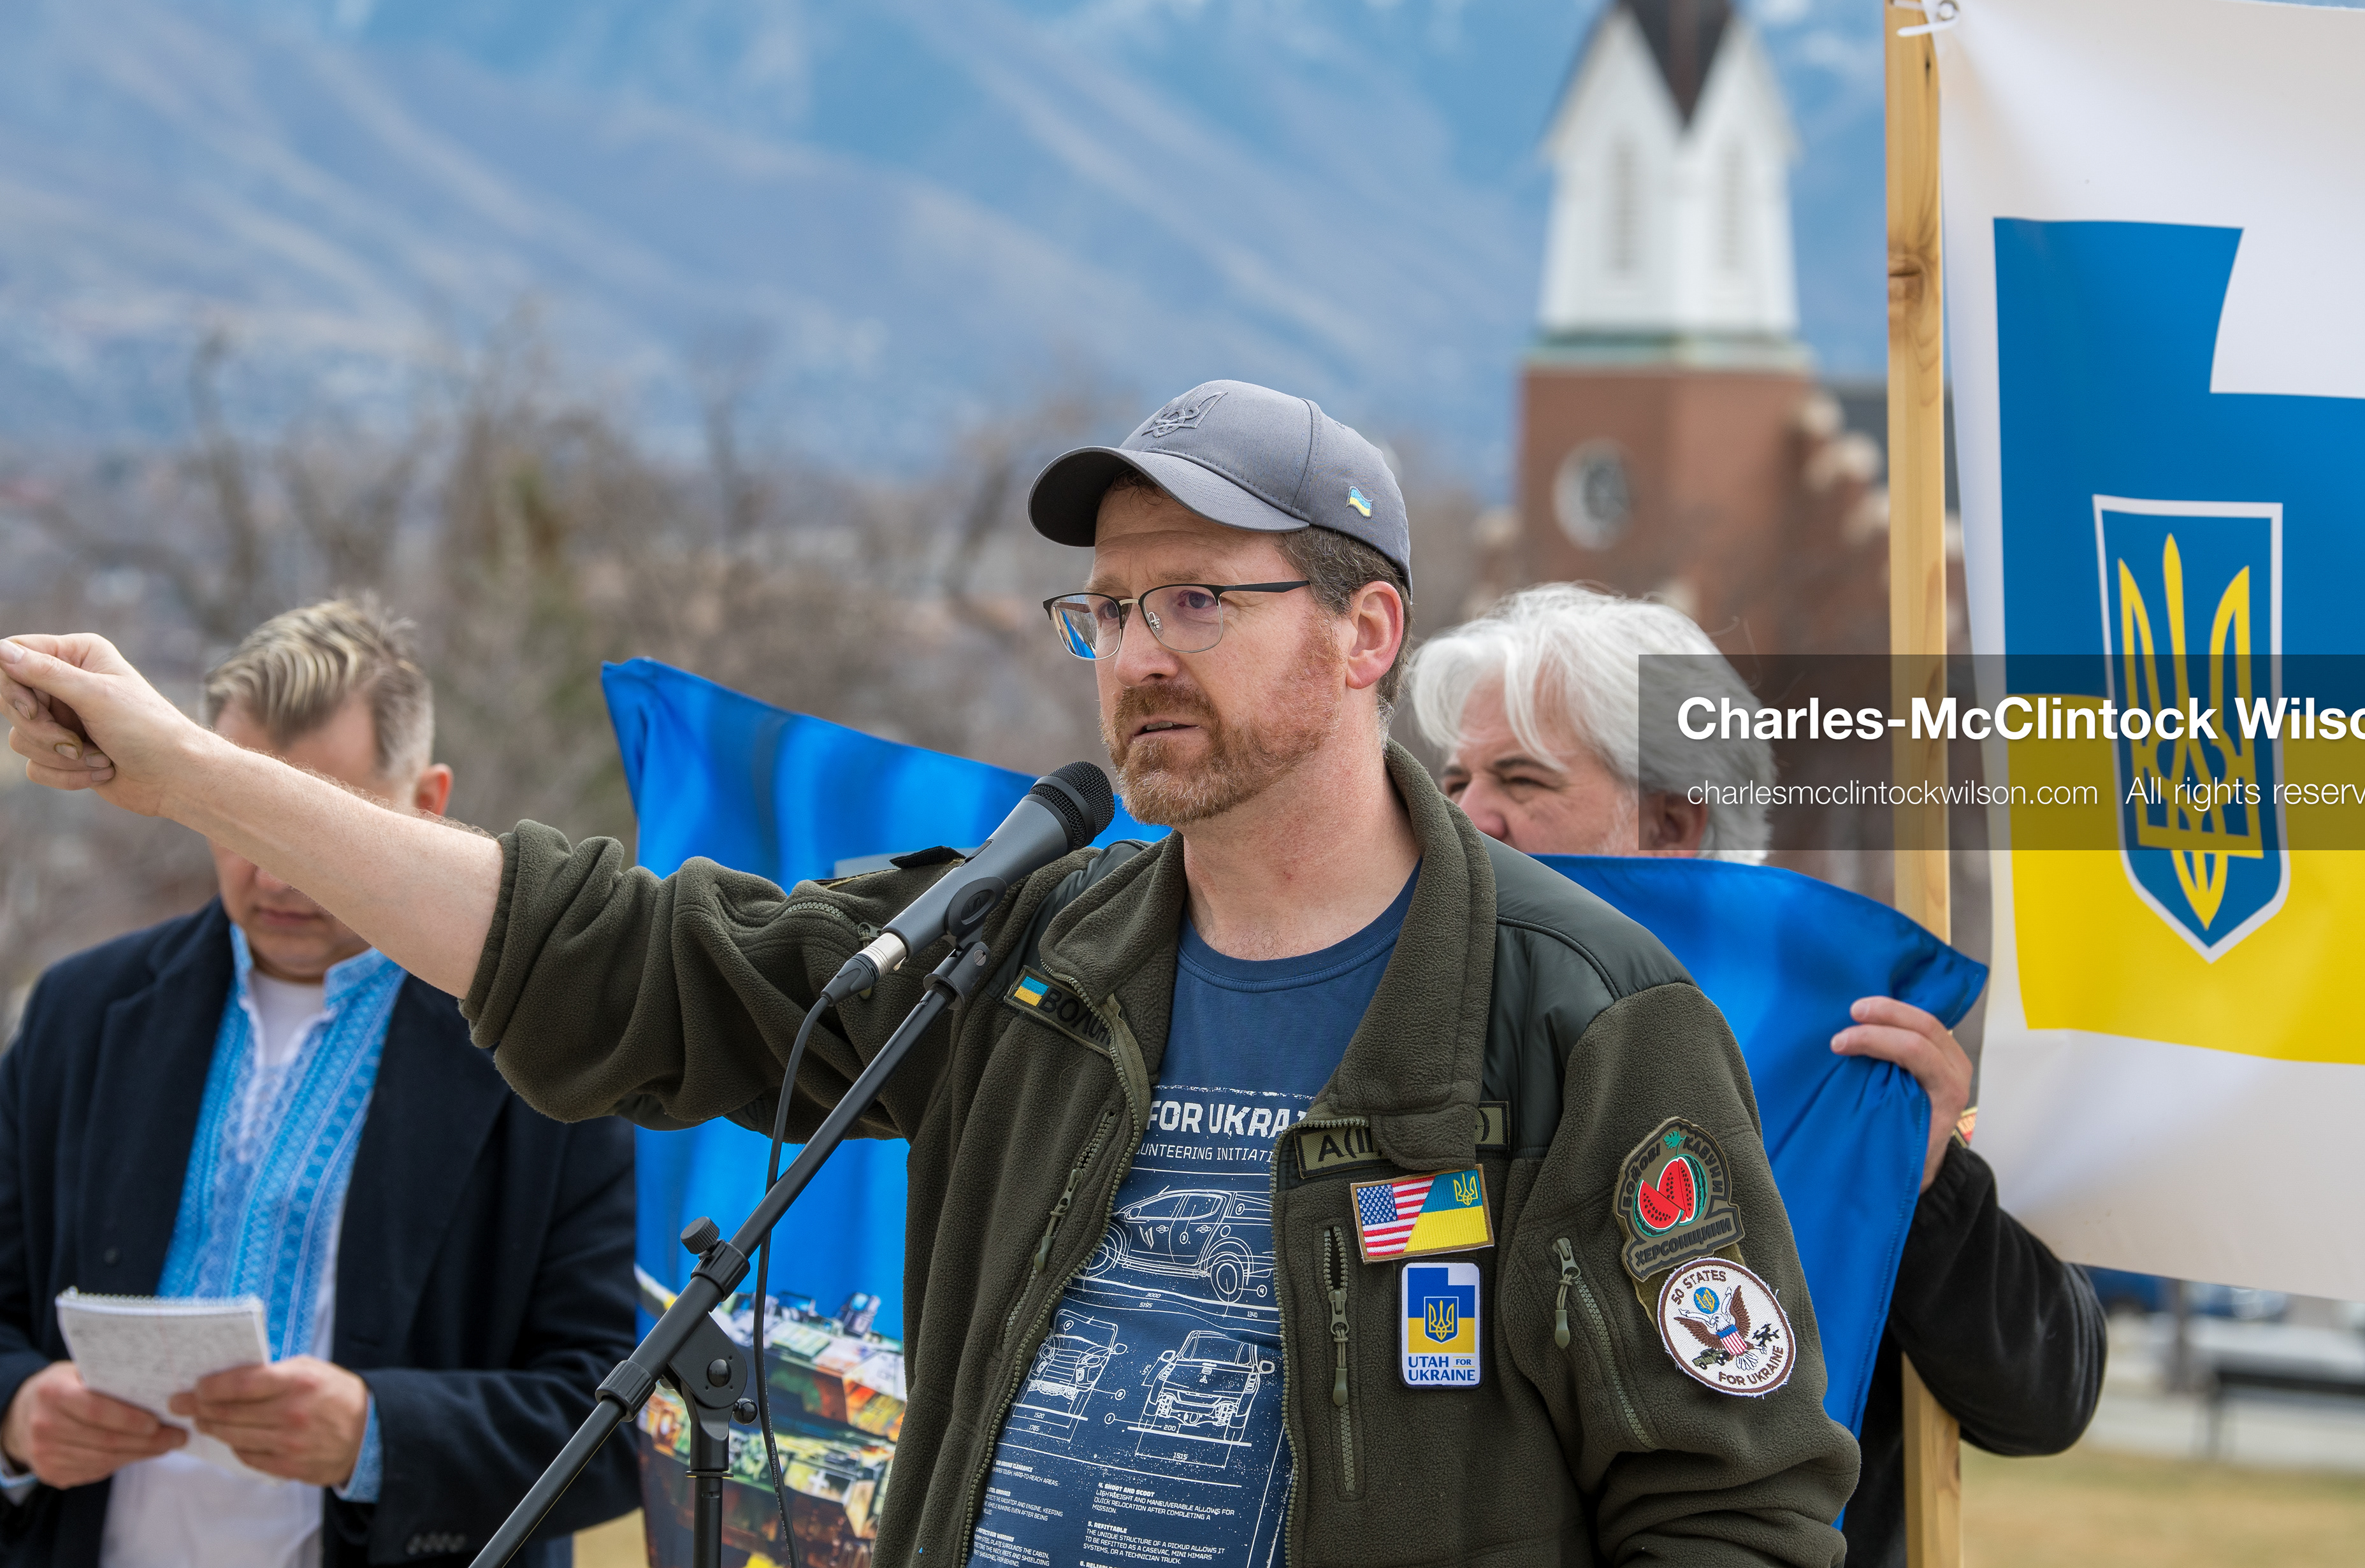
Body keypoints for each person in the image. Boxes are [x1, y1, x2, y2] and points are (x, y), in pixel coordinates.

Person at [1, 382, 1858, 1568]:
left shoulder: (1581, 1019)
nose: (1138, 653)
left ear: (1369, 628)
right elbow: (627, 964)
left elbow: (1732, 1510)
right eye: (1113, 608)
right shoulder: (1029, 943)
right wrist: (190, 777)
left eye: (1204, 598)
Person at [1414, 584, 2107, 1568]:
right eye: (1453, 783)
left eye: (1520, 782)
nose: (1467, 820)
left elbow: (2046, 1399)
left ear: (1672, 827)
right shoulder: (1410, 1021)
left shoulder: (1840, 1063)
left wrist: (1930, 1185)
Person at [0, 601, 639, 1568]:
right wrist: (13, 1412)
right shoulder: (78, 1012)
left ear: (429, 805)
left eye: (314, 816)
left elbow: (631, 1410)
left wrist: (383, 1436)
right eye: (236, 812)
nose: (274, 868)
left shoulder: (550, 1057)